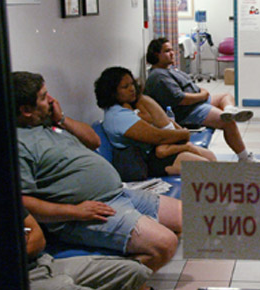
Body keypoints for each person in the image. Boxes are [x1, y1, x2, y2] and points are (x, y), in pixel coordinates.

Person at [13, 71, 180, 272]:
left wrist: (62, 119)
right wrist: (75, 211)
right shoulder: (18, 144)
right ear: (26, 110)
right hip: (85, 213)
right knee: (165, 244)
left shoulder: (50, 124)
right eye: (43, 97)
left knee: (186, 217)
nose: (51, 100)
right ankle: (115, 286)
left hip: (119, 193)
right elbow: (22, 201)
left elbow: (94, 141)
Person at [144, 37, 259, 162]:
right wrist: (203, 95)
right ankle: (244, 158)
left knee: (226, 96)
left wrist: (202, 93)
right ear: (156, 54)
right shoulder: (159, 76)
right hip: (188, 111)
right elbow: (181, 99)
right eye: (167, 51)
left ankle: (229, 111)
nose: (172, 53)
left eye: (172, 50)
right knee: (228, 123)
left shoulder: (168, 70)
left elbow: (187, 87)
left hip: (196, 102)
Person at [95, 66, 216, 177]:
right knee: (205, 169)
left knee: (211, 158)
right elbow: (158, 137)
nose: (132, 89)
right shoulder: (118, 116)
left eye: (132, 84)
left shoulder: (128, 106)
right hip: (149, 160)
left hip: (156, 151)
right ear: (112, 92)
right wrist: (184, 134)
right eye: (125, 87)